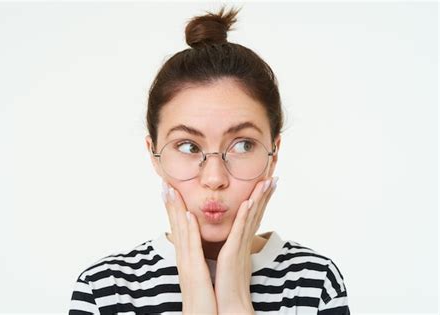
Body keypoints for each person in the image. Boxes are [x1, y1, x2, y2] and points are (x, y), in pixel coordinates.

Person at [69, 5, 350, 314]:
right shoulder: (106, 290)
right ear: (154, 154)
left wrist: (235, 299)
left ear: (273, 153)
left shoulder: (314, 282)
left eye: (242, 145)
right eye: (188, 147)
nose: (214, 178)